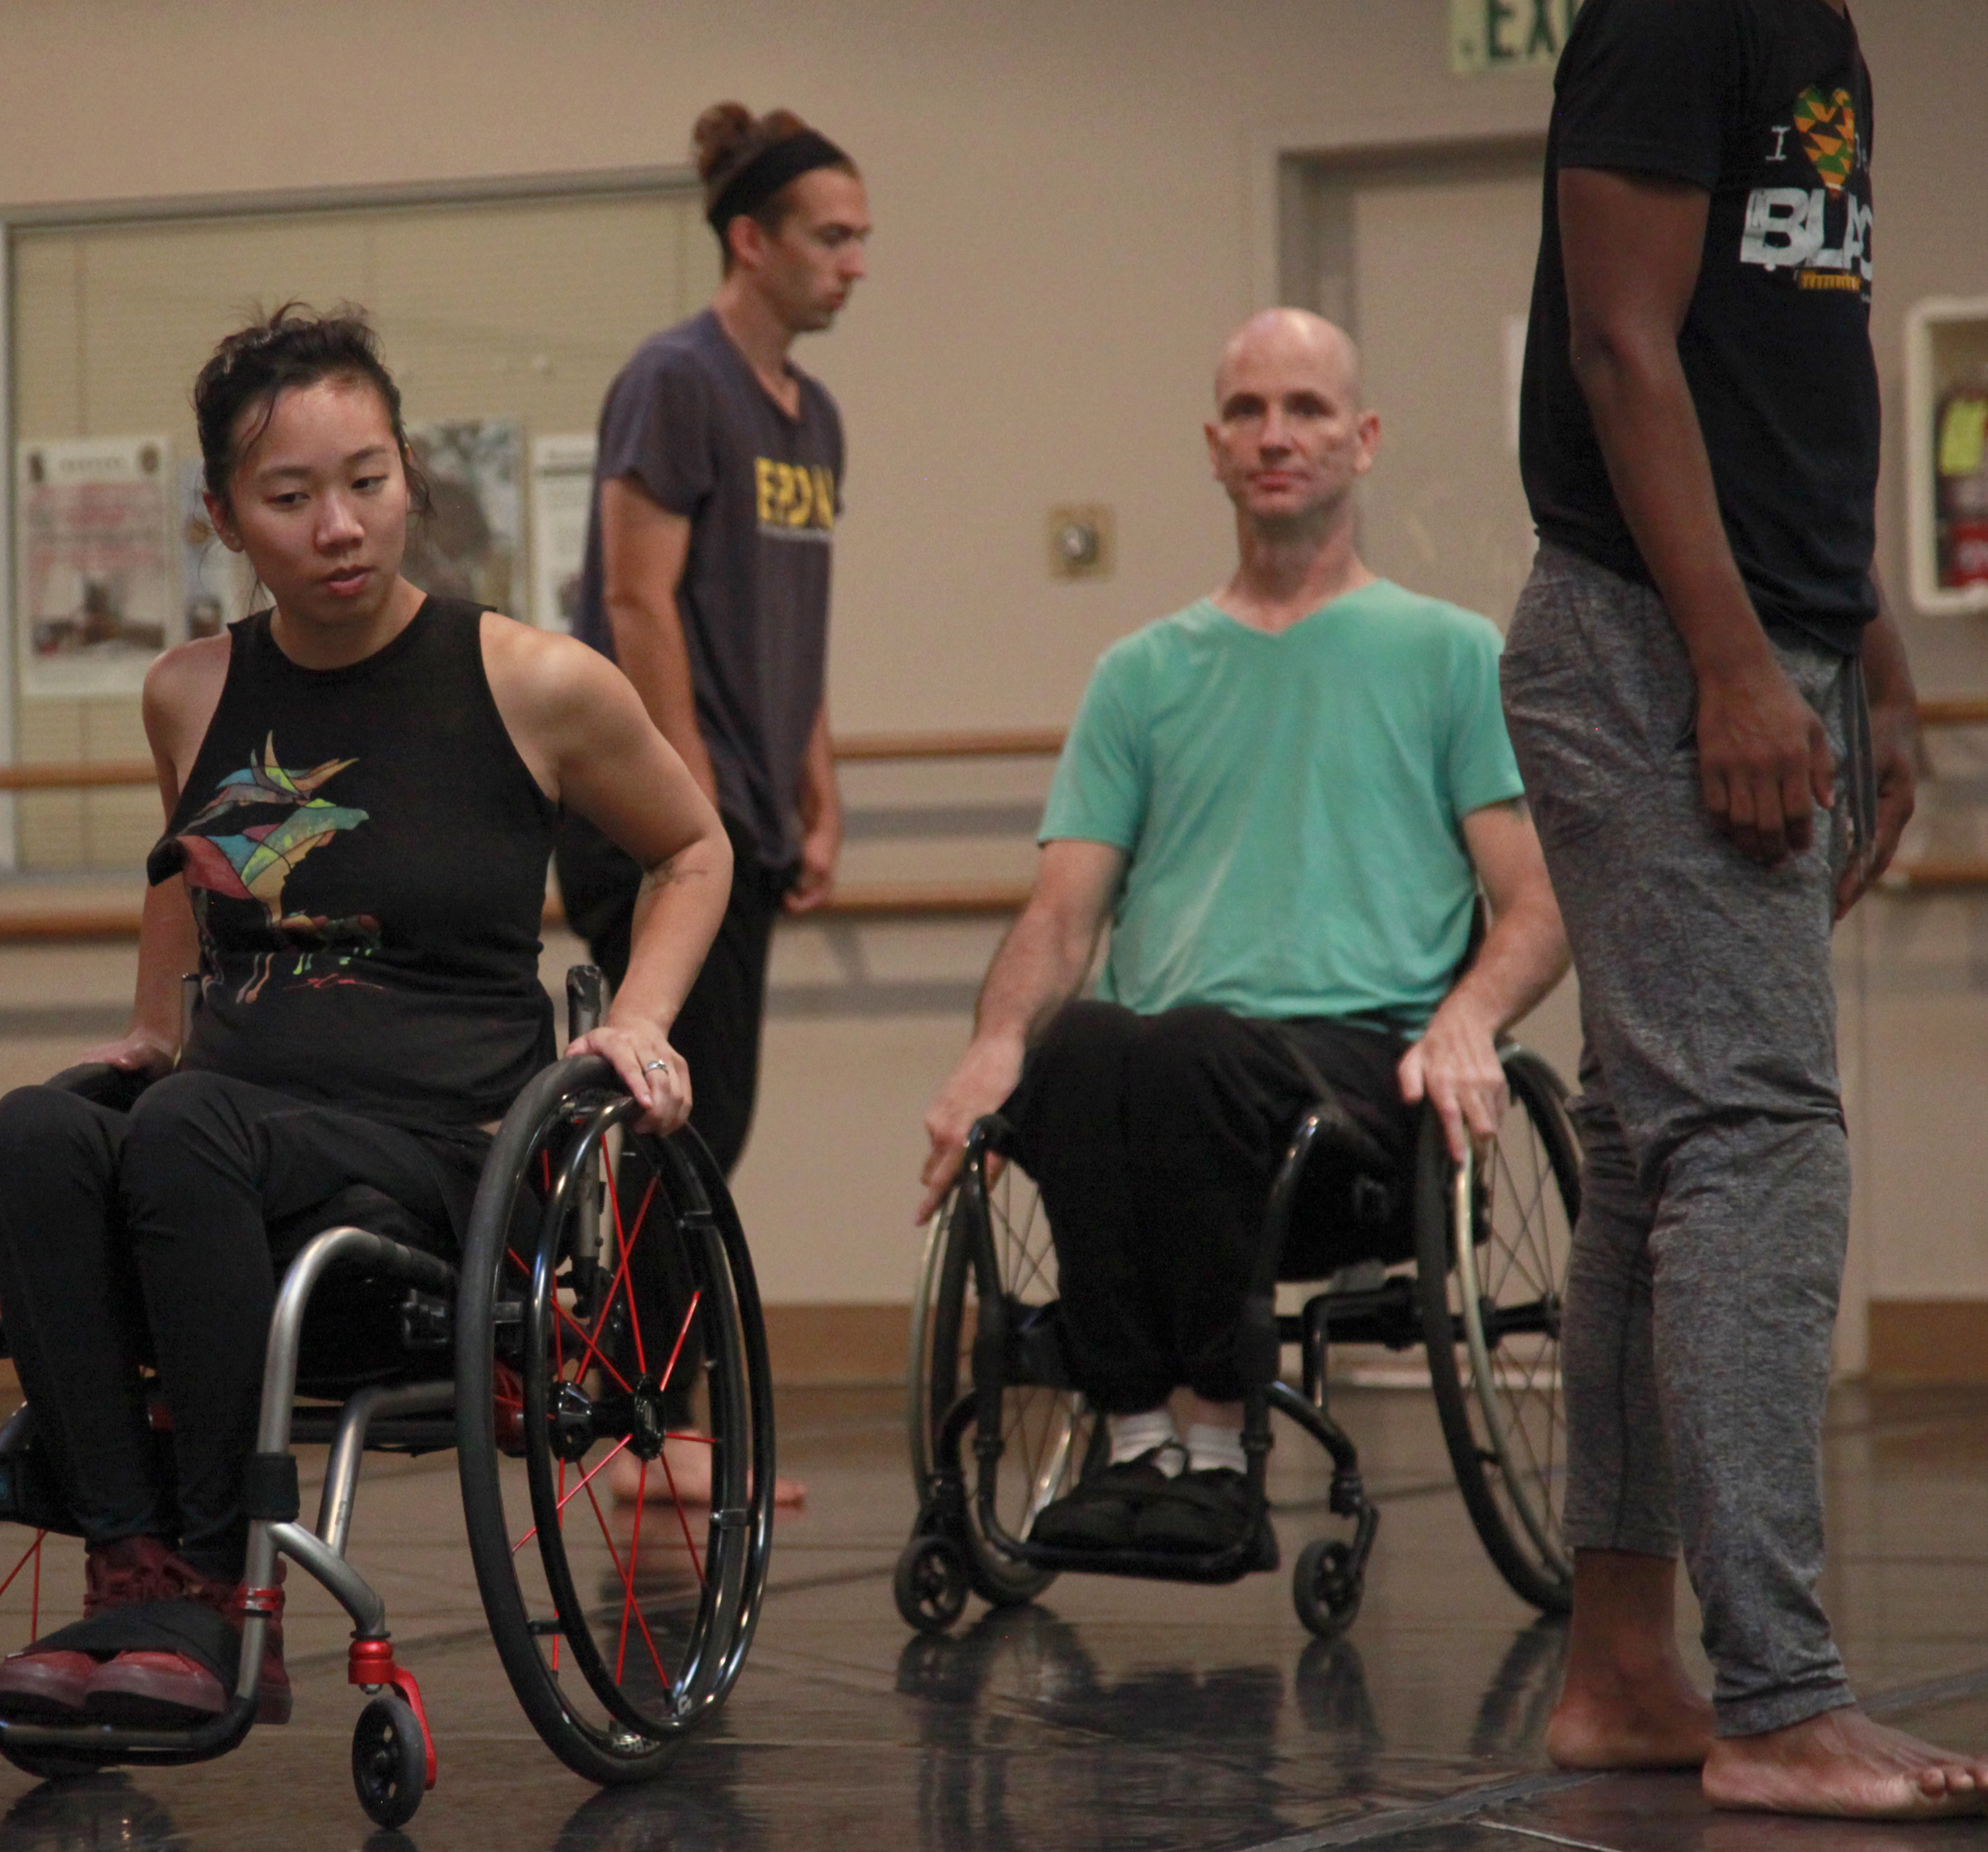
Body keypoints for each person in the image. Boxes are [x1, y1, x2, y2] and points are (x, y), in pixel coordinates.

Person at [0, 307, 731, 1729]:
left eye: (367, 481)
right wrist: (148, 1029)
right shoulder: (189, 691)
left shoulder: (533, 680)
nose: (339, 526)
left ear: (408, 476)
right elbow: (185, 867)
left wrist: (639, 1020)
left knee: (185, 1130)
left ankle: (220, 1586)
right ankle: (133, 1567)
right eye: (290, 497)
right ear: (222, 519)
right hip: (230, 1130)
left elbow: (694, 848)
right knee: (36, 1133)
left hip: (440, 1156)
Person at [1506, 0, 1985, 1820]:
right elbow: (1620, 344)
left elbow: (1786, 374)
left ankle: (1624, 1673)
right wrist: (1728, 665)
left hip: (1772, 626)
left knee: (1655, 1153)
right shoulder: (1677, 6)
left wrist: (1871, 652)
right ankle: (1778, 1701)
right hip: (1653, 633)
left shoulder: (1818, 26)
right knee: (1761, 1138)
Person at [916, 309, 1570, 1559]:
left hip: (1358, 1078)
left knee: (1181, 1048)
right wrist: (995, 1044)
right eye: (1250, 412)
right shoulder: (1141, 674)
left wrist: (1472, 1018)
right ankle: (1135, 1441)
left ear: (1362, 440)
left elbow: (1538, 901)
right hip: (1161, 1072)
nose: (1277, 436)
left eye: (1307, 410)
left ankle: (1217, 1448)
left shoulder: (1448, 654)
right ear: (1215, 447)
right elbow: (1062, 914)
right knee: (1079, 1044)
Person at [559, 102, 867, 1502]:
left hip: (745, 810)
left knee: (704, 1117)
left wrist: (817, 790)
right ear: (751, 239)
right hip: (664, 813)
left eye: (860, 238)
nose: (855, 263)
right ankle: (638, 1427)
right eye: (831, 237)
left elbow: (794, 623)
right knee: (675, 1114)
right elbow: (637, 598)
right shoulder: (675, 381)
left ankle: (642, 1413)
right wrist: (691, 808)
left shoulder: (817, 417)